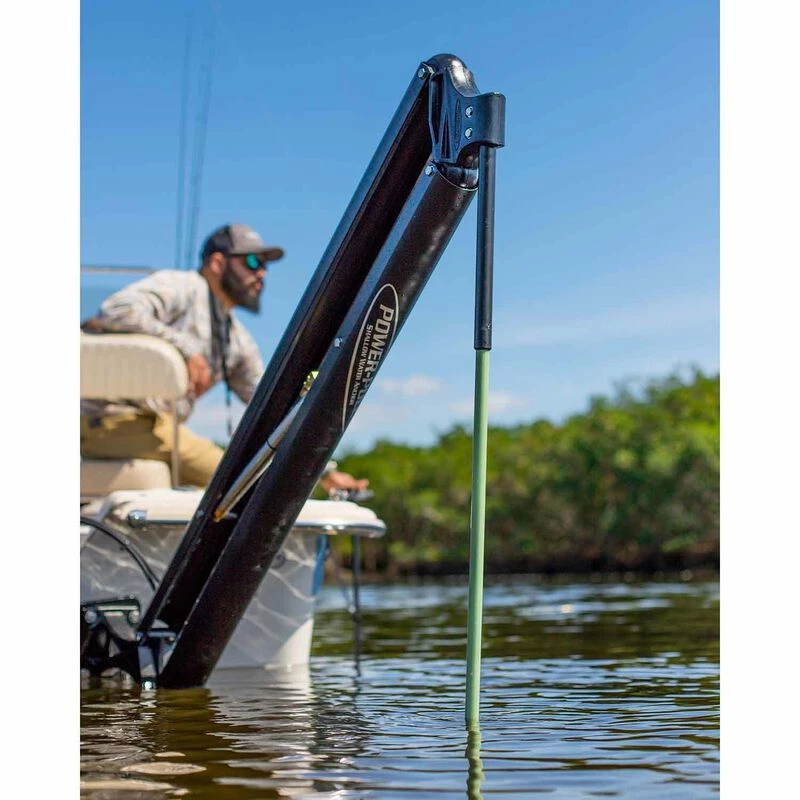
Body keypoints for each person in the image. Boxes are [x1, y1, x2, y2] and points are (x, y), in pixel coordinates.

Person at [81, 223, 368, 494]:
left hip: (157, 429)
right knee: (237, 486)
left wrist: (323, 470)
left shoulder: (237, 340)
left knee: (249, 481)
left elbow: (272, 405)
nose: (262, 273)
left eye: (265, 265)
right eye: (252, 262)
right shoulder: (182, 286)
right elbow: (118, 309)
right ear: (217, 263)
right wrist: (185, 349)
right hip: (105, 418)